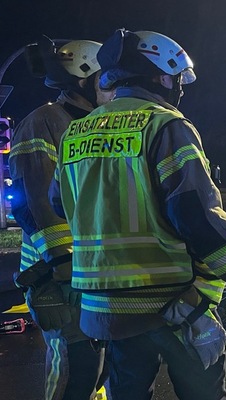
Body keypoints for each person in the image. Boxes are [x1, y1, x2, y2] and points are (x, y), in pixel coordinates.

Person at [50, 29, 226, 400]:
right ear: (160, 76)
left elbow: (60, 203)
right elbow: (197, 217)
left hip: (104, 310)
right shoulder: (165, 126)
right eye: (177, 78)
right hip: (167, 305)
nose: (179, 88)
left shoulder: (76, 134)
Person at [8, 36, 114, 400]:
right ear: (83, 79)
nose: (114, 84)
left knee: (105, 371)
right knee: (76, 369)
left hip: (99, 274)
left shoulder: (105, 125)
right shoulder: (45, 122)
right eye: (106, 77)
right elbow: (31, 202)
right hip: (59, 277)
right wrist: (63, 266)